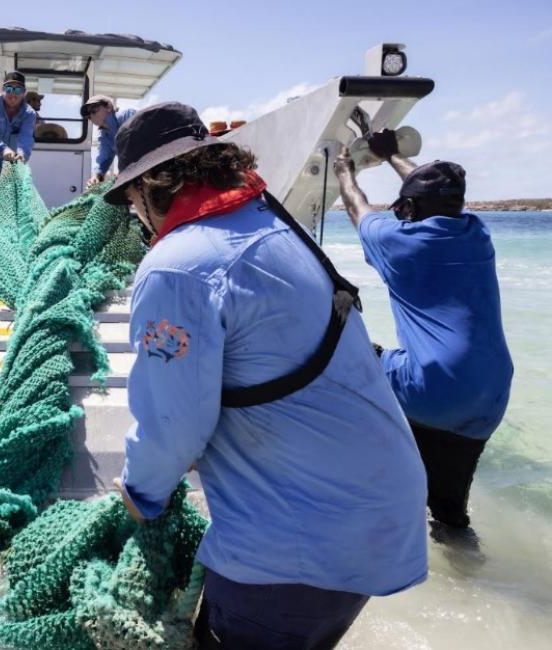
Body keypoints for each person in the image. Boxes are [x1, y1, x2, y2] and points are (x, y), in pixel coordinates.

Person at [106, 103, 428, 649]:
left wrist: (141, 493)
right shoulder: (272, 225)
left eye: (132, 199)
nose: (136, 213)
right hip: (377, 514)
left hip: (299, 540)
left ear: (146, 187)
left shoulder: (178, 266)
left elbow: (173, 427)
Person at [334, 130, 514, 535]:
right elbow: (438, 194)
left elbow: (357, 207)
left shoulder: (400, 243)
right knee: (450, 515)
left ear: (411, 207)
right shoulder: (476, 233)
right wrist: (392, 155)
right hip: (491, 393)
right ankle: (463, 562)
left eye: (403, 207)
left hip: (431, 386)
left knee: (350, 349)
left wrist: (344, 171)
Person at [81, 95, 136, 188]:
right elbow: (104, 160)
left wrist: (124, 169)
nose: (91, 116)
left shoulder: (129, 115)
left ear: (109, 107)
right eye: (88, 116)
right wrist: (97, 176)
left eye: (93, 110)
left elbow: (143, 142)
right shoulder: (104, 136)